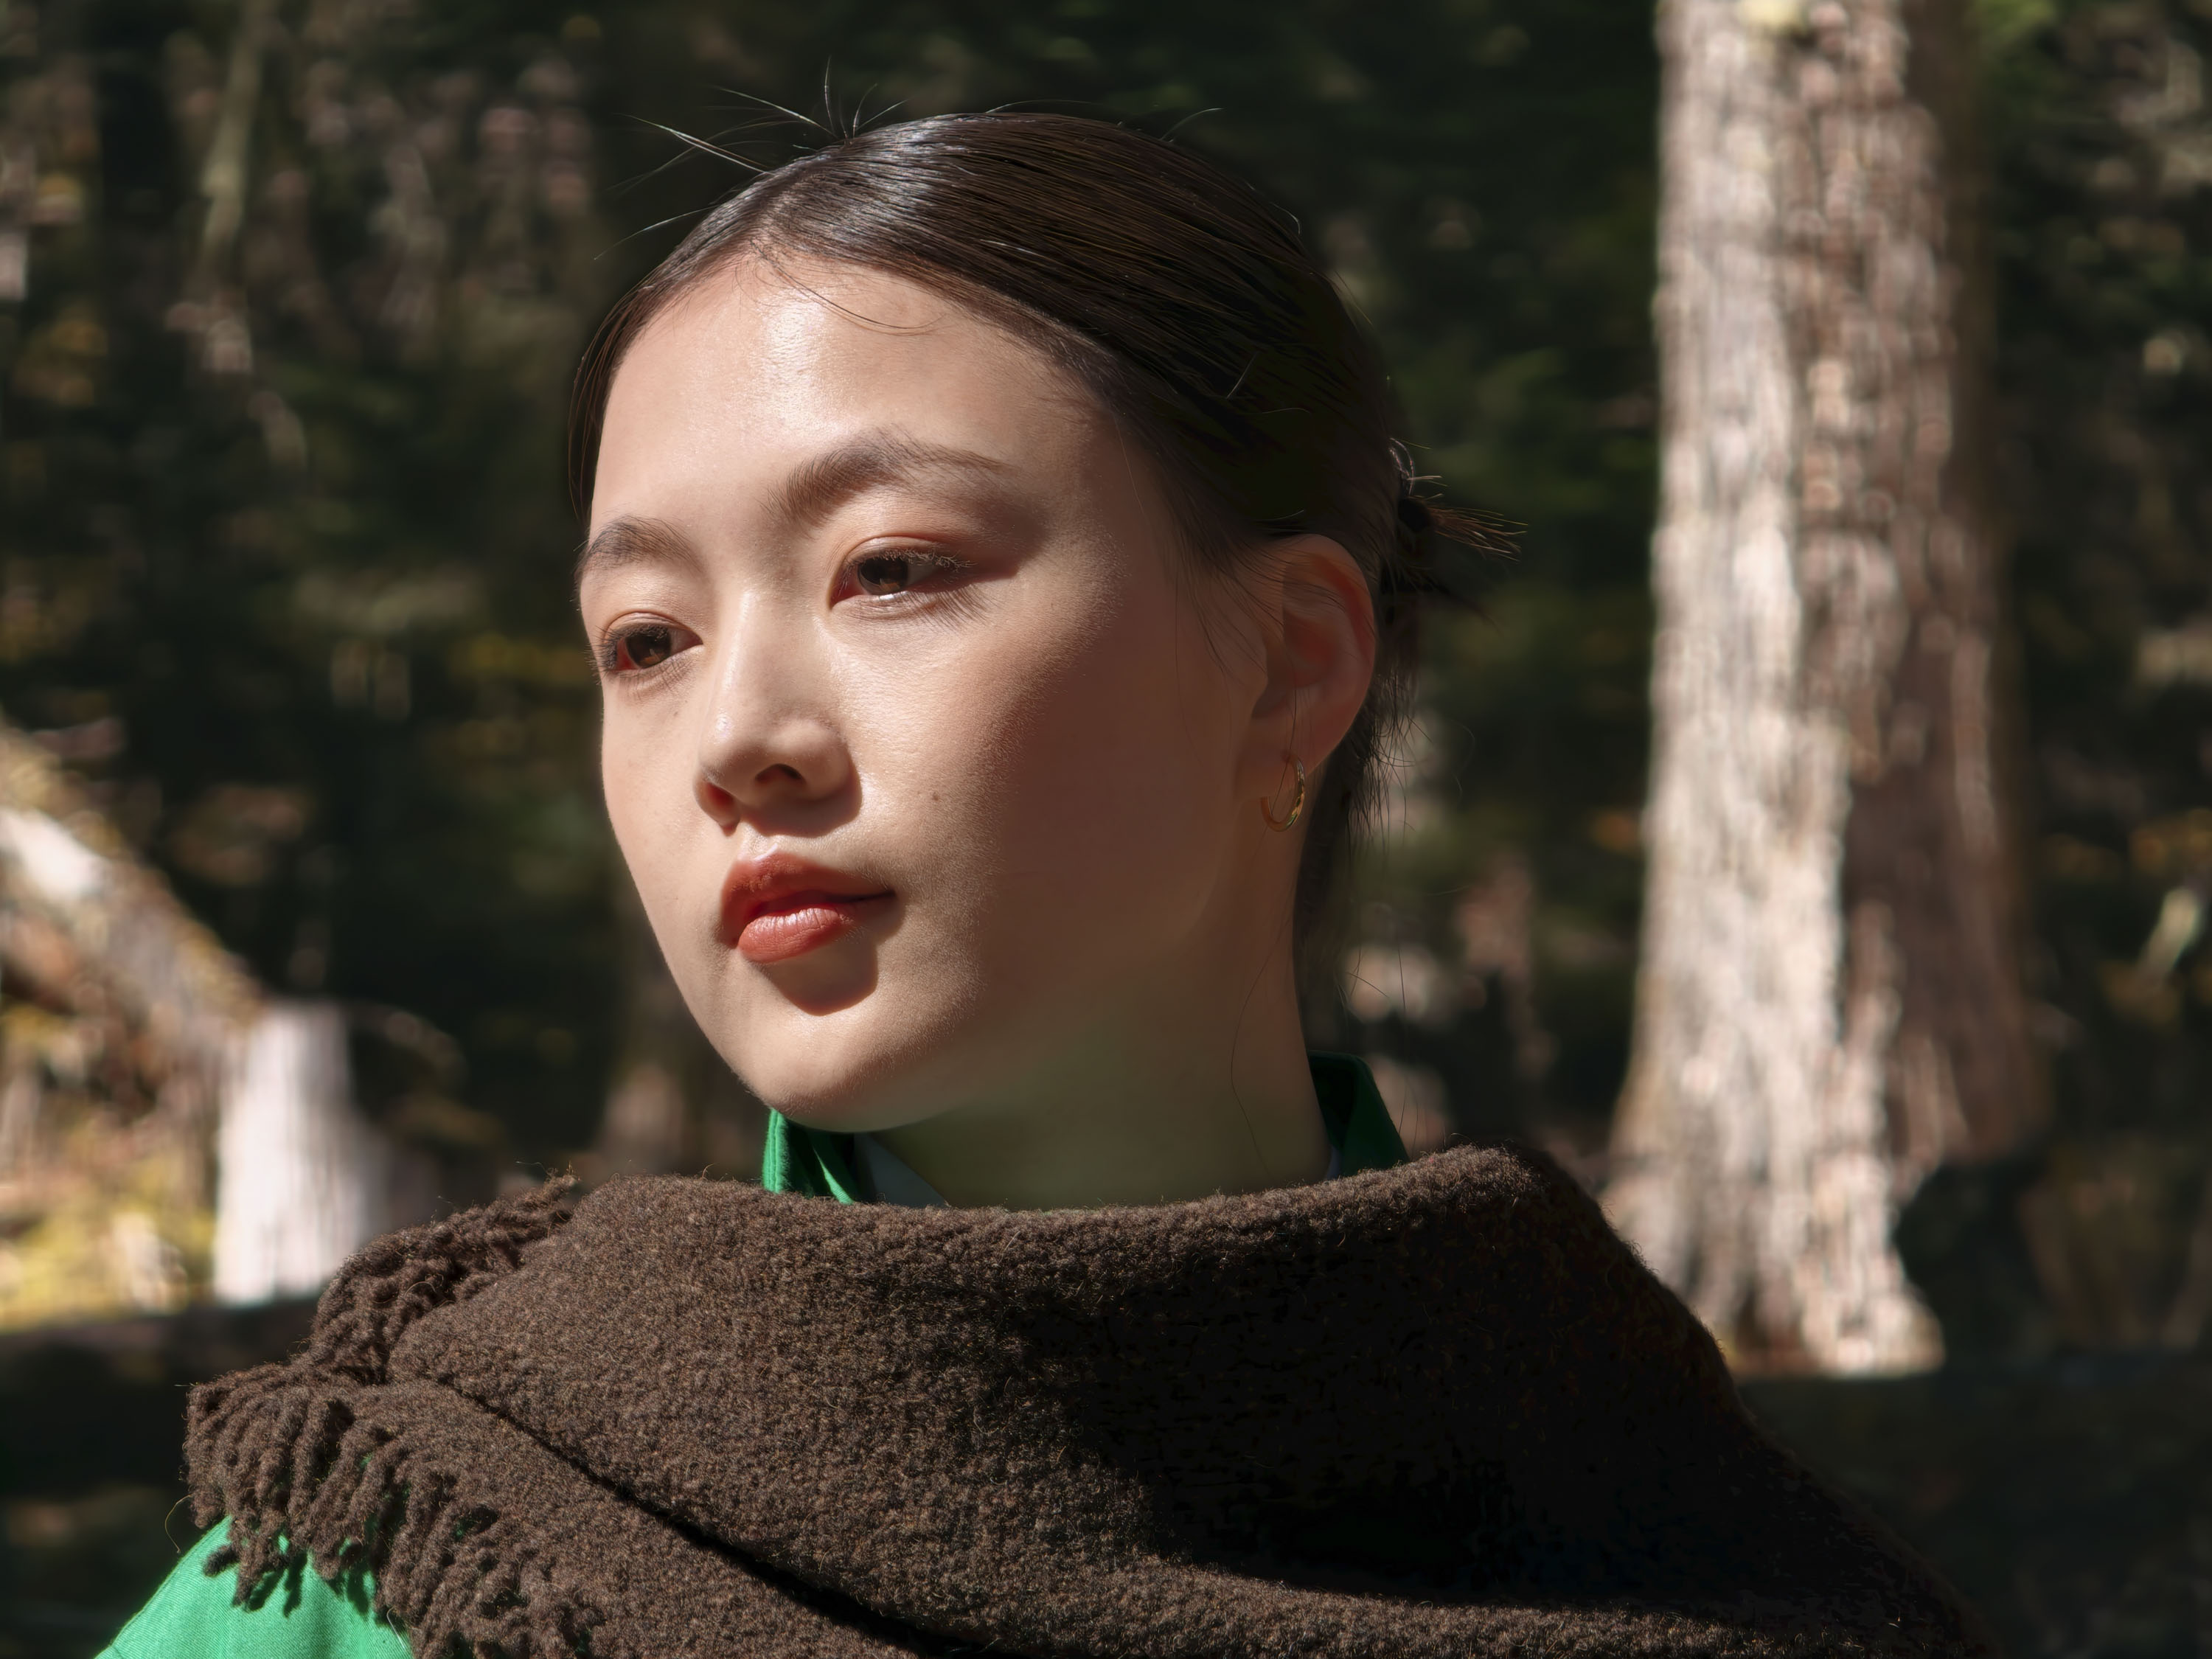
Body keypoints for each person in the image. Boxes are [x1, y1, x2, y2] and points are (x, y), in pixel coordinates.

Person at [101, 112, 1988, 1658]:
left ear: (1292, 663)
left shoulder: (1711, 1566)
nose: (736, 733)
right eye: (647, 634)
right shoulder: (400, 1569)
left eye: (895, 569)